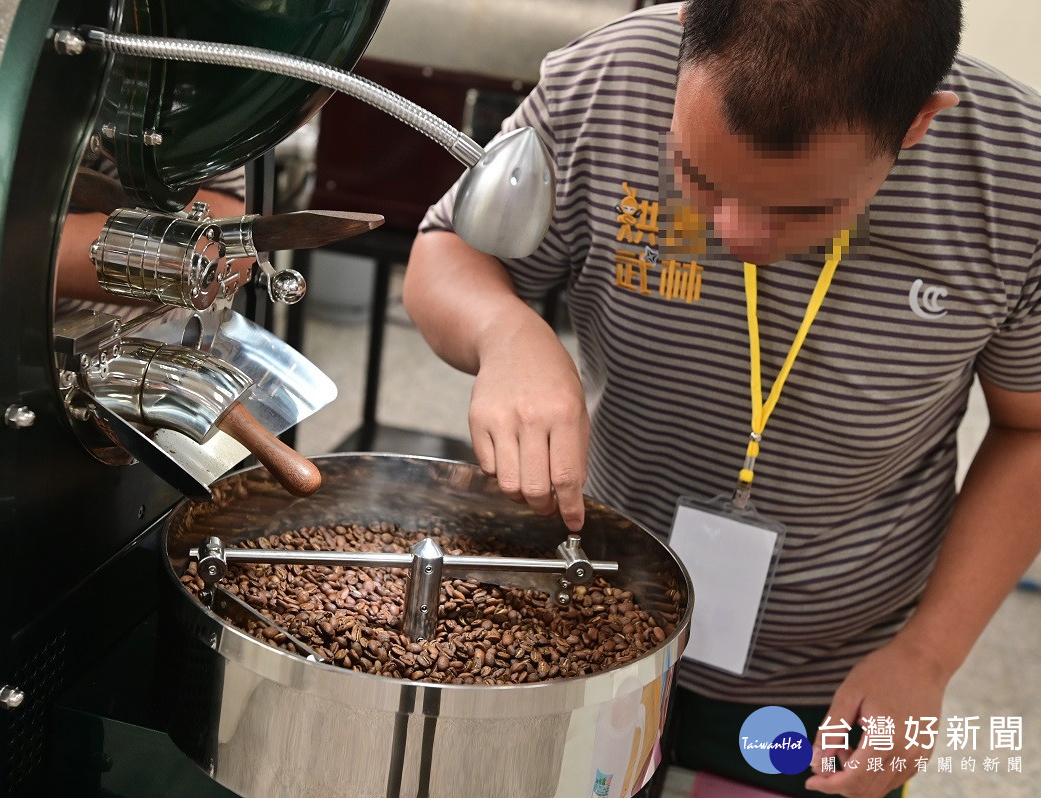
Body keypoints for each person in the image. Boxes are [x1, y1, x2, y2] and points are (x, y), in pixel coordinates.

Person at [403, 1, 1041, 796]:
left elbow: (1032, 430)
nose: (737, 233)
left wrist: (930, 654)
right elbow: (449, 252)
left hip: (830, 667)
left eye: (803, 209)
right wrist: (506, 333)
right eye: (696, 175)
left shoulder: (1017, 173)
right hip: (588, 597)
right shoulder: (611, 79)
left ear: (917, 124)